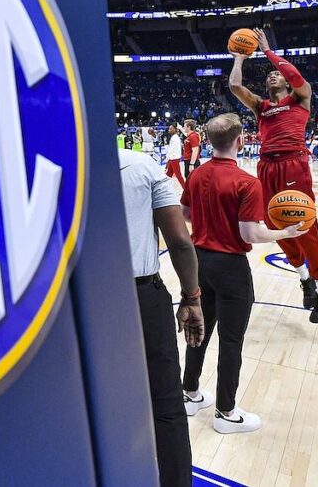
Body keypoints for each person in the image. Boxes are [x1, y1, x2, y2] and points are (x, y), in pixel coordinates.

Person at [179, 114, 306, 434]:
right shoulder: (247, 182)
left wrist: (209, 222)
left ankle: (189, 394)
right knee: (231, 340)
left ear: (208, 141)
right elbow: (250, 233)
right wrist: (286, 233)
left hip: (199, 262)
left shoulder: (196, 174)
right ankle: (225, 412)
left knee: (198, 329)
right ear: (241, 140)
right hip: (230, 267)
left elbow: (185, 214)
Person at [229, 28, 318, 323]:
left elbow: (295, 76)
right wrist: (239, 58)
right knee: (275, 223)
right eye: (268, 76)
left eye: (276, 74)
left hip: (293, 164)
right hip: (266, 167)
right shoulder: (261, 106)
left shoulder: (300, 98)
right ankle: (304, 277)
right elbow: (235, 86)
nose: (272, 76)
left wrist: (267, 52)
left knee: (304, 226)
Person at [118, 148, 204, 486]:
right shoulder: (142, 165)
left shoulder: (56, 161)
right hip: (142, 297)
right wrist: (191, 298)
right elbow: (180, 242)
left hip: (82, 302)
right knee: (166, 404)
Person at [164, 124, 185, 188]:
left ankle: (185, 188)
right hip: (172, 158)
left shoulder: (175, 138)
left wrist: (167, 158)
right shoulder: (174, 137)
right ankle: (166, 188)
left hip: (174, 158)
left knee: (178, 175)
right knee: (168, 174)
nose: (169, 130)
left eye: (171, 129)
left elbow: (171, 150)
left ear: (175, 129)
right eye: (169, 129)